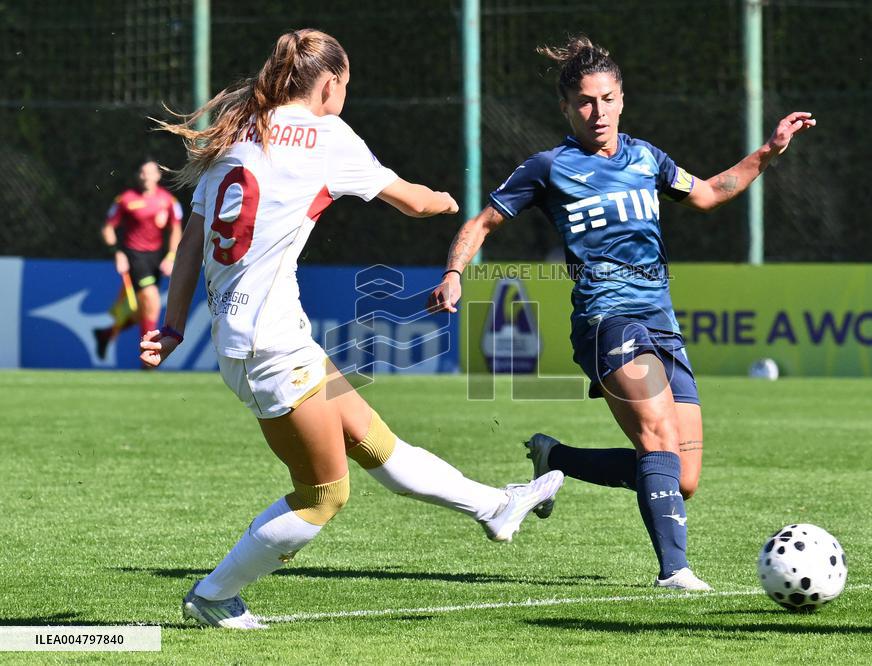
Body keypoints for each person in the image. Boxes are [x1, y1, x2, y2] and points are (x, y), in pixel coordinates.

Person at [141, 28, 564, 630]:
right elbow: (414, 202)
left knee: (375, 444)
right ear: (330, 83)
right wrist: (449, 201)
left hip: (259, 340)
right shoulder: (325, 136)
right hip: (272, 349)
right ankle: (212, 595)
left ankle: (496, 506)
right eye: (346, 84)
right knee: (324, 494)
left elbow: (190, 242)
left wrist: (174, 322)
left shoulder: (239, 132)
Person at [428, 35, 815, 590]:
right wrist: (453, 274)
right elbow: (481, 223)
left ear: (622, 99)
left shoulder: (647, 158)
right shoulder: (548, 167)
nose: (598, 111)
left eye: (607, 98)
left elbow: (707, 193)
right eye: (585, 101)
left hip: (661, 321)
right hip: (605, 320)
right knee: (656, 438)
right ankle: (675, 572)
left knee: (682, 479)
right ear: (566, 109)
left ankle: (555, 458)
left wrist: (768, 153)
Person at [95, 159, 183, 360]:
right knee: (151, 299)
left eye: (151, 172)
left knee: (140, 310)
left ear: (158, 176)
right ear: (139, 175)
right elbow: (108, 227)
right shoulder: (126, 199)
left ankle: (105, 334)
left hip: (156, 258)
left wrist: (171, 256)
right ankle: (148, 353)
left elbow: (176, 229)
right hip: (134, 256)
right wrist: (116, 252)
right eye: (143, 172)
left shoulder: (168, 201)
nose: (146, 176)